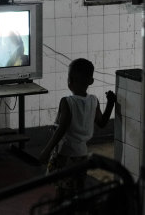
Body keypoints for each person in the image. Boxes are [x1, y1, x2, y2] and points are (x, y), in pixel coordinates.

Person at [39, 58, 117, 201]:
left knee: (61, 191)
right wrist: (111, 103)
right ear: (91, 81)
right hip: (82, 155)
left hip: (64, 154)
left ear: (70, 80)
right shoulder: (93, 101)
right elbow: (102, 123)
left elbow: (62, 129)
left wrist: (46, 151)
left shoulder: (67, 102)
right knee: (76, 190)